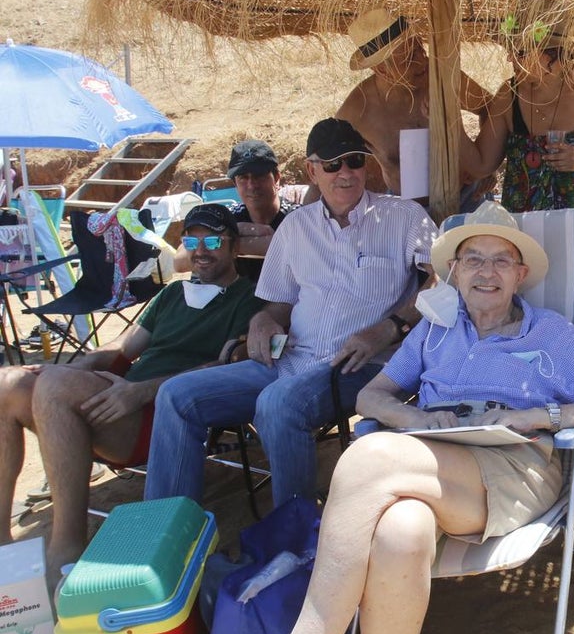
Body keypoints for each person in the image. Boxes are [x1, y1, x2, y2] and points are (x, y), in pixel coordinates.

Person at [247, 201, 574, 634]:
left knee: (366, 455)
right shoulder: (434, 330)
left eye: (501, 260)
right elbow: (371, 396)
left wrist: (538, 416)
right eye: (474, 259)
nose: (486, 272)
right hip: (427, 455)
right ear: (454, 271)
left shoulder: (551, 333)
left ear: (521, 275)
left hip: (512, 465)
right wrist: (416, 417)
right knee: (400, 532)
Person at [144, 119, 438, 508]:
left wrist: (391, 327)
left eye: (354, 161)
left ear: (367, 165)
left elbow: (443, 281)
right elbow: (279, 302)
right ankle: (167, 525)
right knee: (176, 394)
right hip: (291, 358)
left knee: (278, 404)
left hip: (364, 365)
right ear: (312, 170)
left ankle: (295, 529)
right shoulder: (295, 227)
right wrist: (262, 321)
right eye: (332, 164)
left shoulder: (403, 217)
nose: (345, 172)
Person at [0, 204, 261, 575]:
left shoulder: (249, 299)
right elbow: (122, 348)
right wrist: (76, 368)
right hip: (118, 398)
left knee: (54, 387)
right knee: (8, 383)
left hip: (160, 414)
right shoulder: (172, 295)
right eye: (192, 241)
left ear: (234, 246)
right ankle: (2, 542)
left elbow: (226, 367)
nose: (201, 250)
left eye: (214, 241)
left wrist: (139, 391)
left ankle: (66, 549)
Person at [474, 18, 574, 211]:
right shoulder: (508, 94)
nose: (510, 59)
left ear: (552, 53)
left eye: (520, 52)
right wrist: (449, 118)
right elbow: (481, 165)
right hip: (523, 226)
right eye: (510, 51)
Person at [335, 9, 494, 210]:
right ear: (382, 69)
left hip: (468, 196)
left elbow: (489, 108)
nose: (421, 61)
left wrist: (484, 163)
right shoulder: (358, 110)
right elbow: (326, 159)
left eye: (420, 48)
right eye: (409, 58)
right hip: (406, 210)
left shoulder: (443, 78)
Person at [173, 139, 298, 283]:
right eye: (243, 178)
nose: (252, 185)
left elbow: (301, 251)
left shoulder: (297, 217)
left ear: (276, 178)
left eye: (259, 176)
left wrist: (223, 242)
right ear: (235, 184)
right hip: (237, 296)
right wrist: (238, 235)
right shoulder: (228, 217)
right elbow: (179, 262)